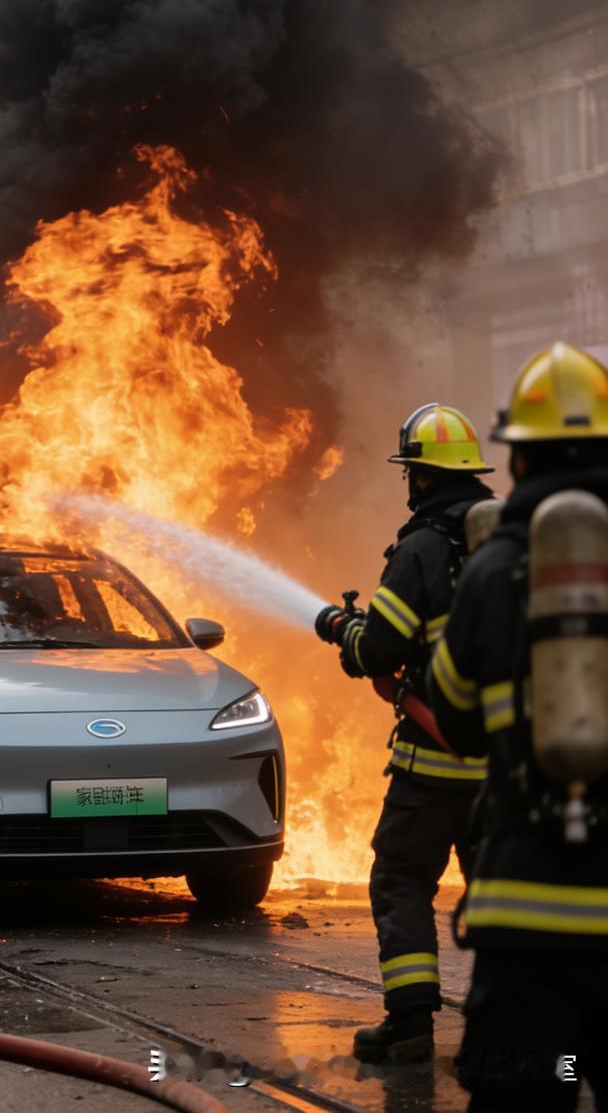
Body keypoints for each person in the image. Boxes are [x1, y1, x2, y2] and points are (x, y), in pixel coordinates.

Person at [430, 344, 608, 1110]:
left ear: (521, 460)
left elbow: (458, 721)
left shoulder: (493, 566)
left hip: (525, 911)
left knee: (530, 1090)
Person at [316, 403, 494, 1063]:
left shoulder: (422, 548)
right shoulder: (514, 541)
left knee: (400, 880)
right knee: (504, 896)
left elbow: (379, 648)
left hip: (432, 766)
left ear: (419, 477)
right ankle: (515, 1026)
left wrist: (347, 631)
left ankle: (412, 1023)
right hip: (507, 765)